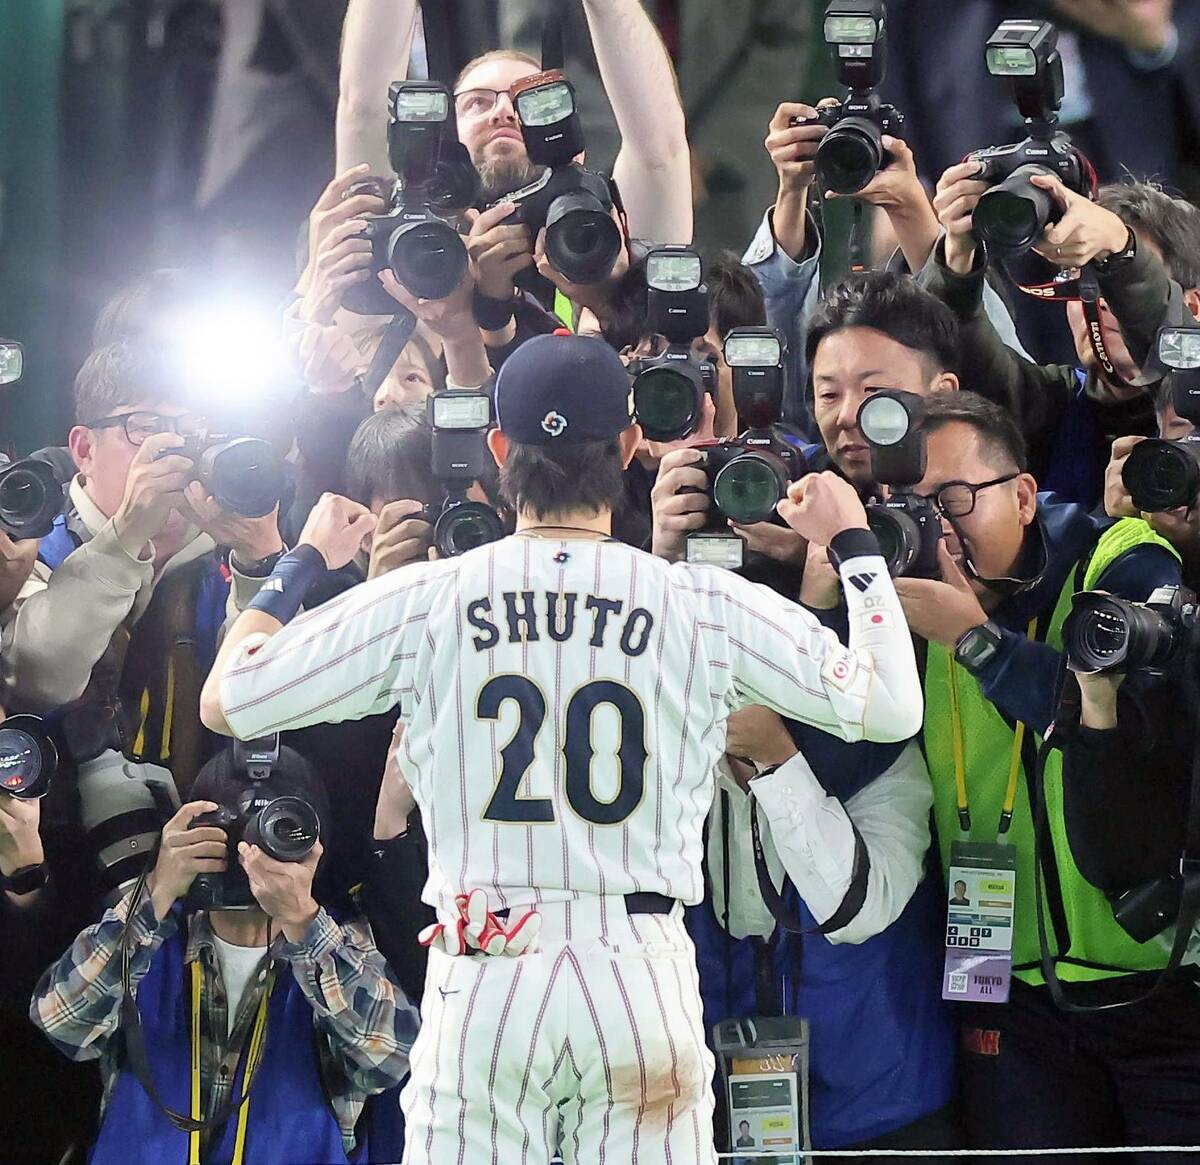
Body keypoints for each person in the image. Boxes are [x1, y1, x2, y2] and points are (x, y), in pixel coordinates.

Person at [198, 332, 923, 1162]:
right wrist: (855, 544)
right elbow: (892, 706)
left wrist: (303, 560)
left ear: (500, 450)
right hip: (639, 972)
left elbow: (227, 699)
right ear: (624, 445)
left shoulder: (429, 597)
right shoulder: (697, 602)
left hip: (485, 967)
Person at [888, 391, 1200, 1154]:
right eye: (914, 507)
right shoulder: (900, 609)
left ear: (1023, 495)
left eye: (954, 499)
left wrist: (976, 640)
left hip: (1160, 986)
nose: (939, 530)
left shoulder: (1118, 559)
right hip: (1005, 994)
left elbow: (1138, 715)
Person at [31, 744, 416, 1165]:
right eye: (231, 828)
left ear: (313, 843)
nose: (249, 848)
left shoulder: (341, 946)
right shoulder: (147, 938)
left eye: (277, 828)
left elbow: (391, 1060)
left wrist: (302, 919)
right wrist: (158, 888)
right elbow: (62, 1024)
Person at [743, 101, 1030, 433]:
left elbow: (998, 384)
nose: (848, 415)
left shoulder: (986, 469)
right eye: (829, 394)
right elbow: (763, 362)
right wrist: (792, 190)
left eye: (875, 391)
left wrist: (909, 204)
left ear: (944, 390)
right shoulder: (810, 476)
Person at [922, 173, 1200, 505]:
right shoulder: (1053, 407)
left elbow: (1169, 342)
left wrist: (1119, 250)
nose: (1101, 302)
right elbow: (962, 353)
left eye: (1112, 283)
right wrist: (957, 255)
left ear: (1193, 306)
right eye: (1085, 281)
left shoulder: (1191, 405)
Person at [336, 0, 692, 246]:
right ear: (444, 135)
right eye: (478, 102)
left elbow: (660, 150)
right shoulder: (401, 228)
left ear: (576, 146)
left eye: (530, 103)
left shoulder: (609, 233)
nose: (504, 112)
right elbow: (364, 109)